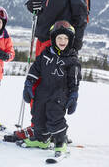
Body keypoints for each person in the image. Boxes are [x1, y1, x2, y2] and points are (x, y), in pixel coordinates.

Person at [5, 0, 88, 142]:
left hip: (61, 43)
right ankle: (39, 128)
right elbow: (45, 3)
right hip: (43, 37)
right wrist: (33, 5)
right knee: (38, 85)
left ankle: (50, 130)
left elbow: (81, 12)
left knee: (54, 90)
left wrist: (73, 46)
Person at [18, 20, 81, 156]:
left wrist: (74, 96)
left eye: (65, 38)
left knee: (55, 119)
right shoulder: (45, 54)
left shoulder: (72, 60)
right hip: (42, 92)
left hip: (59, 95)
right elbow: (34, 70)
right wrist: (28, 85)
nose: (62, 41)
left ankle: (60, 141)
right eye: (59, 38)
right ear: (53, 39)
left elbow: (74, 81)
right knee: (38, 116)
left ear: (70, 40)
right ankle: (41, 139)